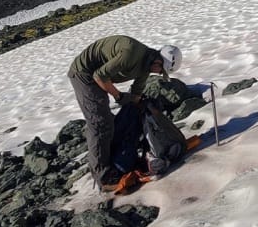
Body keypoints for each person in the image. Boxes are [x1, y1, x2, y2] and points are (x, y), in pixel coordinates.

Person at [67, 35, 182, 191]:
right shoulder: (131, 54)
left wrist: (142, 105)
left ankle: (114, 157)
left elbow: (136, 94)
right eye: (161, 71)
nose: (159, 74)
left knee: (117, 118)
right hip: (84, 74)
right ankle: (104, 178)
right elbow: (99, 76)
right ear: (158, 62)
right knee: (100, 123)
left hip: (98, 75)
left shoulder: (146, 67)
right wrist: (119, 96)